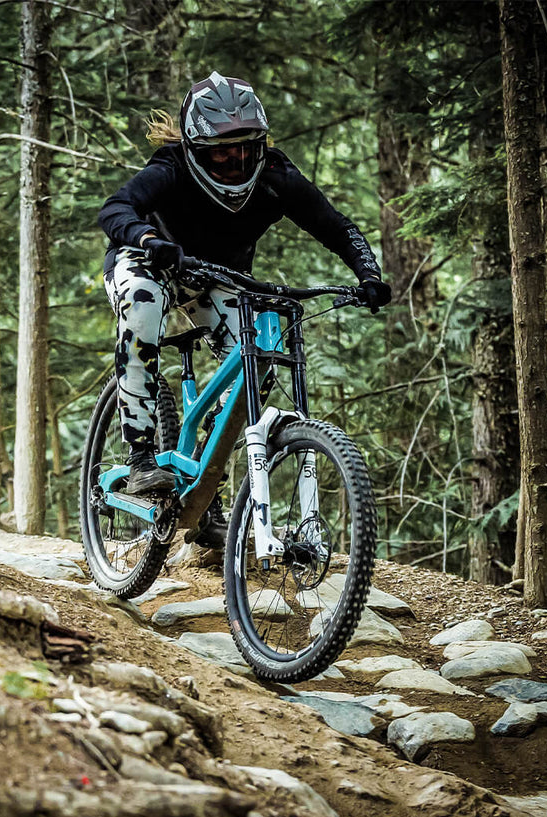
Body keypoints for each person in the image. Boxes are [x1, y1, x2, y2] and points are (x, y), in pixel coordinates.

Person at [97, 71, 391, 548]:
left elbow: (335, 226)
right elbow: (115, 208)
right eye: (220, 149)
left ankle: (205, 490)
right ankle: (141, 457)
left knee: (260, 359)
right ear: (194, 146)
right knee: (143, 304)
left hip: (215, 278)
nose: (235, 158)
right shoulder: (171, 167)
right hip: (147, 259)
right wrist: (148, 238)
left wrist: (369, 275)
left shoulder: (275, 176)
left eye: (246, 146)